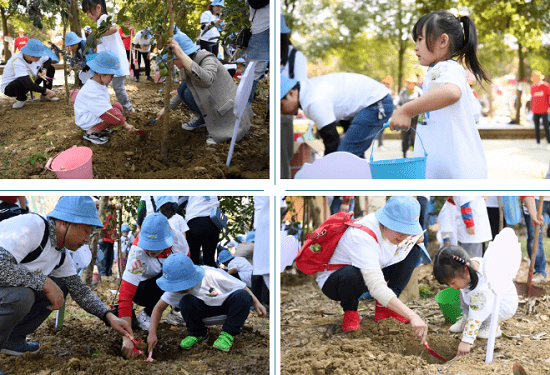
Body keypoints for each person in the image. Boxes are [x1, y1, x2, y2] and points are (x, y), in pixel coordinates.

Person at [0, 196, 133, 375]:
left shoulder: (60, 253)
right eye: (86, 231)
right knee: (23, 296)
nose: (87, 239)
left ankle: (11, 340)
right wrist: (44, 282)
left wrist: (109, 317)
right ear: (64, 223)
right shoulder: (33, 226)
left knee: (62, 285)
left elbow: (79, 290)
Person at [389, 11, 489, 179]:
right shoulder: (444, 71)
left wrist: (406, 110)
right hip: (457, 173)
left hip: (454, 180)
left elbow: (451, 92)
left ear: (443, 41)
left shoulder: (444, 69)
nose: (415, 47)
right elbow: (473, 112)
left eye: (420, 39)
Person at [315, 196, 429, 344]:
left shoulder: (391, 232)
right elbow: (376, 286)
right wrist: (413, 316)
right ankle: (350, 311)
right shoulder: (362, 236)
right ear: (385, 222)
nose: (404, 235)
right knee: (353, 274)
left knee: (413, 249)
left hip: (369, 270)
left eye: (408, 230)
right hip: (336, 280)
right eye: (399, 230)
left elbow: (396, 245)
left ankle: (385, 308)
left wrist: (411, 239)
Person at [147, 253, 266, 354]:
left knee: (243, 296)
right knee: (186, 300)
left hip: (224, 308)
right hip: (202, 312)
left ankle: (227, 334)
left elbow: (243, 286)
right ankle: (198, 333)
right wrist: (151, 334)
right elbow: (158, 308)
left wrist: (257, 304)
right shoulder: (175, 289)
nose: (181, 289)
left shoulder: (212, 274)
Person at [115, 213, 189, 358]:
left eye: (156, 247)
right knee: (163, 278)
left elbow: (186, 272)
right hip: (142, 290)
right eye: (148, 246)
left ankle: (175, 313)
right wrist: (127, 336)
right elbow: (126, 294)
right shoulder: (137, 251)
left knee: (174, 274)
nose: (150, 251)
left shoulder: (178, 239)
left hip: (163, 283)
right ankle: (147, 313)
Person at [156, 33, 252, 145]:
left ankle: (218, 128)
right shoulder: (185, 66)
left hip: (227, 110)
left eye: (175, 59)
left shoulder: (207, 58)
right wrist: (167, 109)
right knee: (183, 88)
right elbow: (181, 92)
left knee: (186, 89)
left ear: (184, 54)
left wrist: (182, 56)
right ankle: (204, 119)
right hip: (213, 102)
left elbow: (207, 80)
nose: (173, 63)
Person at [433, 242, 518, 356]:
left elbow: (478, 312)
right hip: (484, 300)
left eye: (452, 282)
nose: (451, 287)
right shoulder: (466, 266)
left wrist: (467, 340)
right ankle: (466, 318)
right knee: (465, 295)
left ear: (465, 271)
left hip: (503, 304)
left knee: (481, 317)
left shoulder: (483, 285)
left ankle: (491, 324)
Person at [280, 74, 393, 158]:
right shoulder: (308, 91)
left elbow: (332, 141)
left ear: (291, 93)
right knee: (351, 155)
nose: (280, 111)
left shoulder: (313, 101)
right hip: (369, 103)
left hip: (377, 103)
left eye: (280, 105)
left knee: (345, 155)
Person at [74, 51, 142, 145]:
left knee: (118, 107)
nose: (112, 78)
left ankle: (98, 128)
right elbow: (108, 113)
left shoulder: (97, 84)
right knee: (115, 118)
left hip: (90, 114)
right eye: (111, 75)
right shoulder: (92, 90)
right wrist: (125, 124)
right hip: (85, 120)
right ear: (100, 72)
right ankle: (90, 133)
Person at [82, 0, 134, 115]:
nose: (89, 15)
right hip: (108, 61)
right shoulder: (99, 21)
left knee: (117, 87)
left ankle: (127, 108)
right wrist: (98, 47)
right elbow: (105, 39)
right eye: (87, 13)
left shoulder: (104, 18)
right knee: (102, 84)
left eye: (90, 11)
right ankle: (101, 107)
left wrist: (96, 34)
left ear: (99, 8)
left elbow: (113, 29)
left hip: (115, 61)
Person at [281, 14, 307, 179]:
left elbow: (301, 89)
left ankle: (281, 201)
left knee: (283, 157)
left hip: (283, 115)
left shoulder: (295, 58)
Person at [1, 39, 59, 109]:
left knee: (50, 68)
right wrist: (46, 91)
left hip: (30, 79)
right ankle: (21, 99)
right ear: (29, 54)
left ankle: (44, 97)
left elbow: (48, 59)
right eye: (37, 56)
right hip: (11, 87)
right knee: (20, 81)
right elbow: (27, 84)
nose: (40, 57)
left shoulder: (37, 56)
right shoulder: (17, 61)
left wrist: (44, 70)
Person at [183, 196, 221, 267]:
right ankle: (212, 277)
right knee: (210, 260)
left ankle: (195, 277)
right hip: (213, 221)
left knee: (194, 260)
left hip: (194, 220)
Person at [246, 0, 269, 105]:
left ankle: (270, 114)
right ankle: (244, 109)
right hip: (261, 30)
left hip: (277, 30)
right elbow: (255, 3)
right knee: (253, 72)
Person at [397, 74, 423, 158]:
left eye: (412, 83)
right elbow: (398, 104)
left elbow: (423, 105)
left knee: (415, 138)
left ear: (415, 83)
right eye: (408, 83)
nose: (410, 84)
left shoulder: (419, 92)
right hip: (404, 119)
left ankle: (417, 156)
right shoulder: (403, 92)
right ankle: (404, 155)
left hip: (415, 120)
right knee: (404, 138)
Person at [96, 198, 117, 277]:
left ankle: (108, 275)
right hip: (103, 236)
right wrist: (114, 205)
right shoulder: (100, 203)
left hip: (110, 238)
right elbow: (98, 203)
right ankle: (103, 275)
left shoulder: (112, 208)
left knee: (110, 258)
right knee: (103, 258)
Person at [529, 71, 550, 150]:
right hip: (536, 110)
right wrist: (532, 108)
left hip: (544, 110)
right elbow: (532, 98)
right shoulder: (533, 87)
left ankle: (549, 142)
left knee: (546, 127)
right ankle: (538, 143)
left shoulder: (546, 86)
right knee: (536, 127)